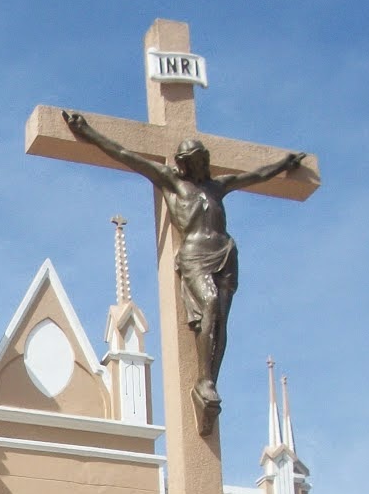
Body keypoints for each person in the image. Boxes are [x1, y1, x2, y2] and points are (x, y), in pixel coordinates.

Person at [62, 110, 305, 421]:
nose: (196, 165)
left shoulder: (218, 187)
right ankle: (203, 380)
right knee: (210, 304)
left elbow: (255, 176)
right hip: (195, 256)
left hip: (225, 253)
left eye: (200, 160)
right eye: (190, 160)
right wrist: (88, 132)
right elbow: (125, 154)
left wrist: (283, 165)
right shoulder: (172, 183)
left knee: (219, 323)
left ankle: (209, 380)